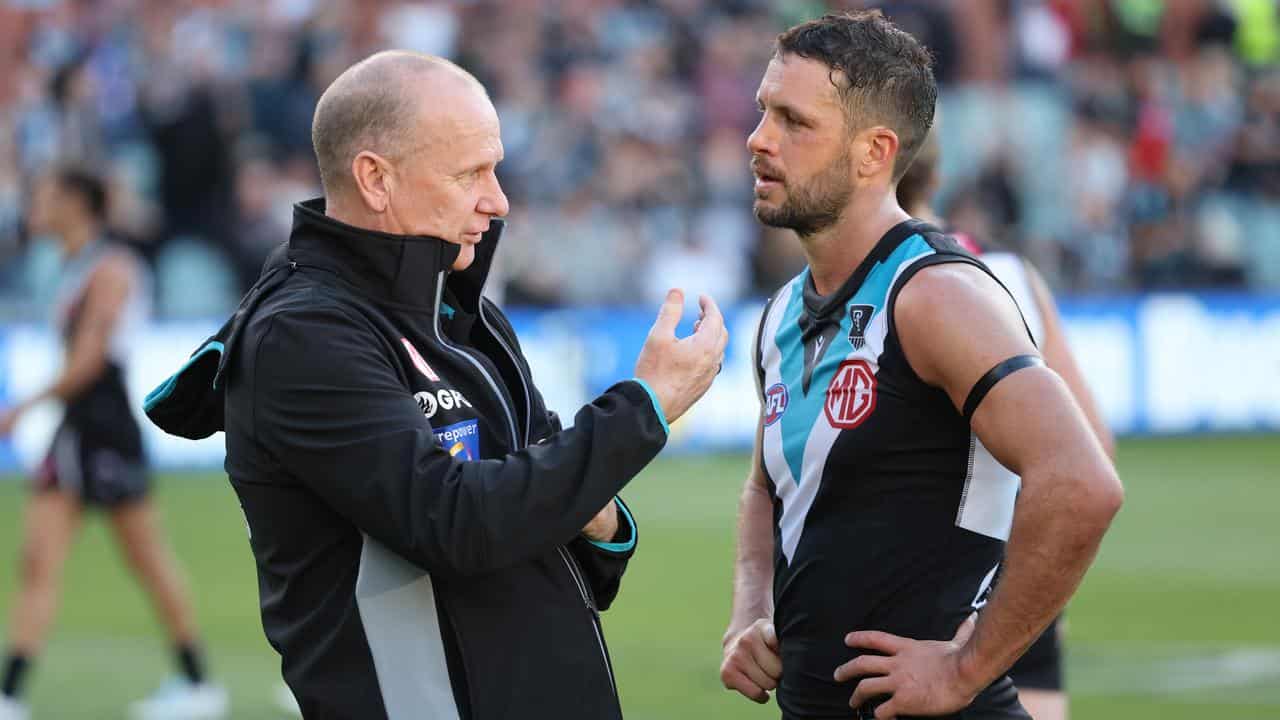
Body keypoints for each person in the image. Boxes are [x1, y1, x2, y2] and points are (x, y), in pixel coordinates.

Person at [143, 51, 727, 719]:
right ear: (375, 179)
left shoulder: (461, 312)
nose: (498, 199)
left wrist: (593, 514)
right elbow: (456, 525)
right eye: (469, 172)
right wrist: (642, 410)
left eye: (496, 168)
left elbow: (585, 566)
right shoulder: (301, 336)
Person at [719, 11, 1123, 720]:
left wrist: (966, 668)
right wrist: (751, 608)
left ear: (874, 152)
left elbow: (1083, 481)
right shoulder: (782, 311)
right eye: (762, 112)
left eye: (793, 121)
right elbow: (763, 490)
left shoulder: (934, 295)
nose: (759, 140)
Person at [895, 126, 1118, 720]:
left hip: (915, 592)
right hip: (1012, 572)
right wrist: (1044, 586)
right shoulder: (1010, 275)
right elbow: (1095, 445)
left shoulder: (871, 293)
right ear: (938, 178)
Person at [0, 168, 228, 720]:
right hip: (76, 430)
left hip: (102, 428)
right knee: (38, 559)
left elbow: (89, 361)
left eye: (49, 195)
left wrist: (21, 410)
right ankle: (9, 694)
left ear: (79, 203)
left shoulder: (111, 268)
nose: (39, 207)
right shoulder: (75, 266)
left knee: (146, 557)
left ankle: (199, 683)